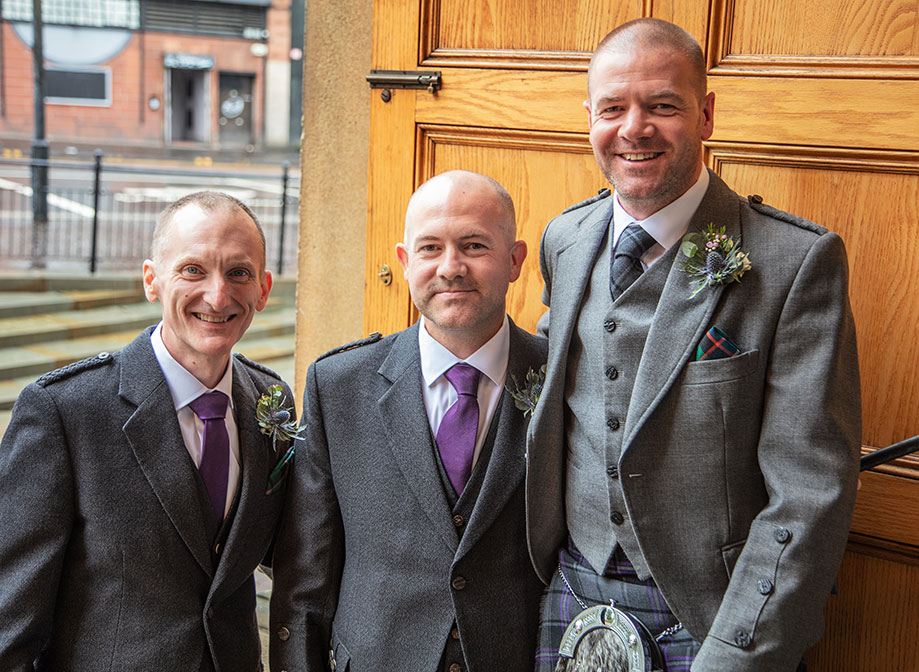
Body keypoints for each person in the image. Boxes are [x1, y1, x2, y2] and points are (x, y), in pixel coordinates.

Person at [526, 18, 861, 672]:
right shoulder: (563, 240)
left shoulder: (792, 261)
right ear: (587, 116)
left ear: (705, 114)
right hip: (567, 590)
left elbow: (808, 492)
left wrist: (736, 655)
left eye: (662, 105)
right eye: (613, 108)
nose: (633, 128)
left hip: (711, 618)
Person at [0, 191, 295, 671]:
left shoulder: (272, 399)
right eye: (192, 270)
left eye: (238, 272)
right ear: (152, 280)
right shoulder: (64, 411)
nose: (217, 295)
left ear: (262, 289)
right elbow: (9, 621)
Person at [270, 170, 546, 672]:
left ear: (515, 260)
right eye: (429, 248)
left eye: (474, 245)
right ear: (403, 261)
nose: (451, 267)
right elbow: (305, 577)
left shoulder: (563, 379)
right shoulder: (338, 386)